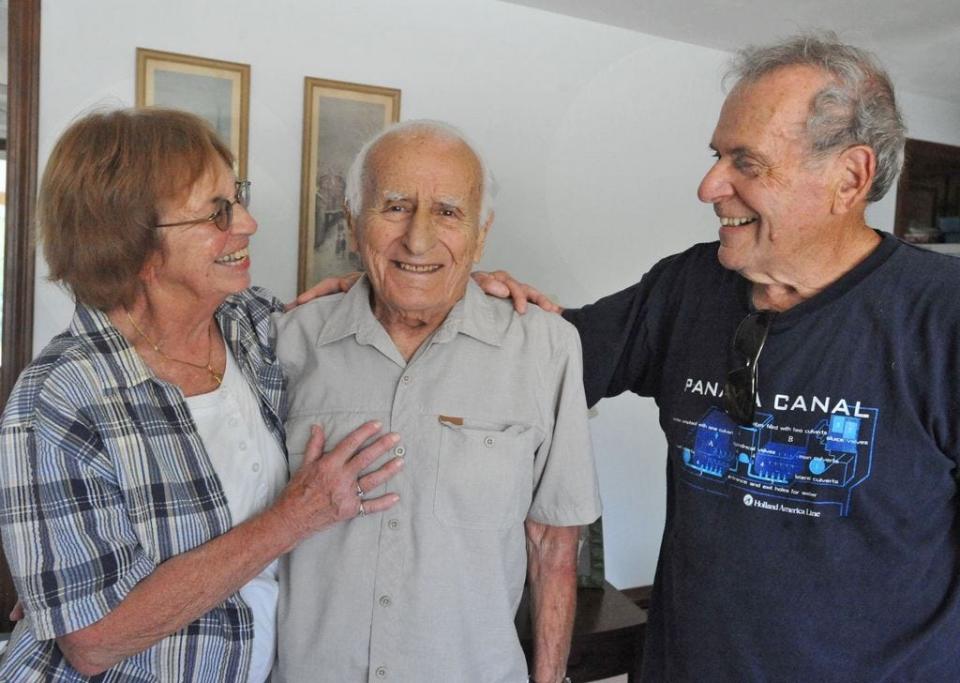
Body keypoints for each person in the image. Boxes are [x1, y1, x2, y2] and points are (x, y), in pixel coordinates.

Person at [484, 32, 960, 681]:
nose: (709, 185)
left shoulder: (941, 318)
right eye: (717, 155)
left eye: (747, 162)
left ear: (849, 179)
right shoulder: (688, 288)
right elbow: (544, 360)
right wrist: (405, 295)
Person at [0, 108, 404, 681]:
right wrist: (295, 517)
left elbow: (388, 313)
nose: (247, 223)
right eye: (217, 212)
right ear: (134, 246)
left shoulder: (251, 323)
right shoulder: (59, 400)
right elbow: (93, 642)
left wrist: (475, 291)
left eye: (236, 196)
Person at [273, 120, 601, 683]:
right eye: (395, 207)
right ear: (353, 224)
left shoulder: (546, 348)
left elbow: (553, 544)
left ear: (481, 233)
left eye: (448, 212)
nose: (418, 240)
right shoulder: (288, 341)